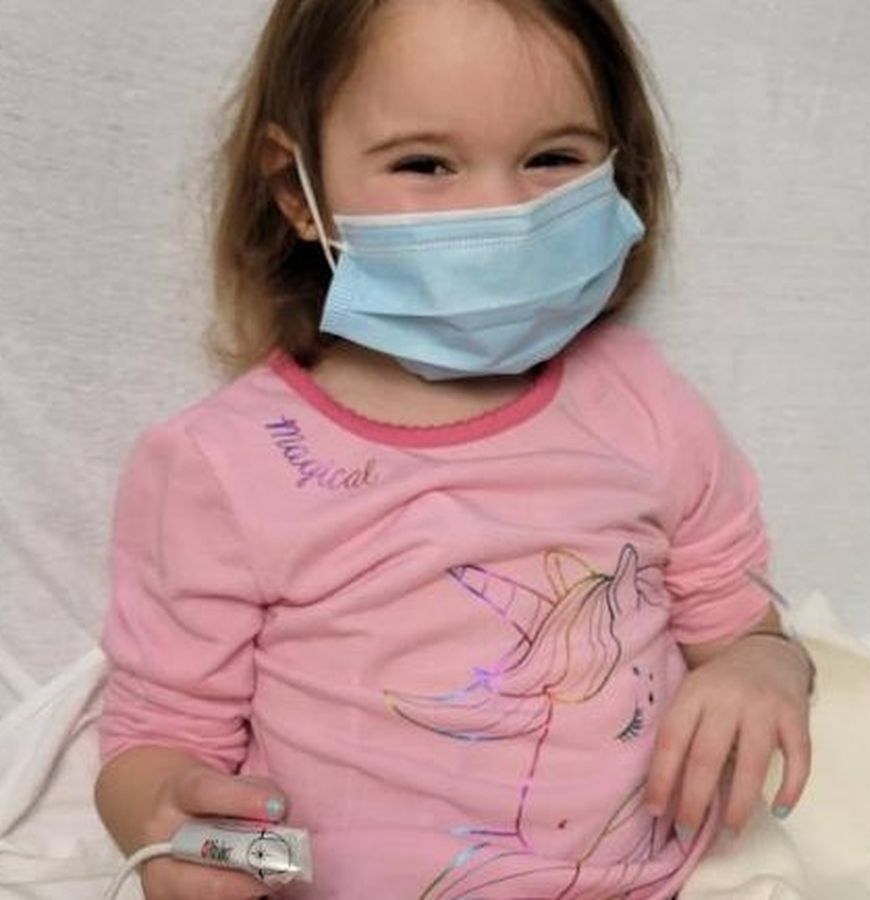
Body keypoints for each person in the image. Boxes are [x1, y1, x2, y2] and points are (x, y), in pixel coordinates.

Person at [92, 0, 816, 896]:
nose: (502, 212)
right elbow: (157, 740)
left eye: (553, 158)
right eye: (425, 164)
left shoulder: (640, 400)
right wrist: (175, 828)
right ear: (296, 190)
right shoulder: (221, 465)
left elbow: (739, 624)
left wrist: (765, 665)